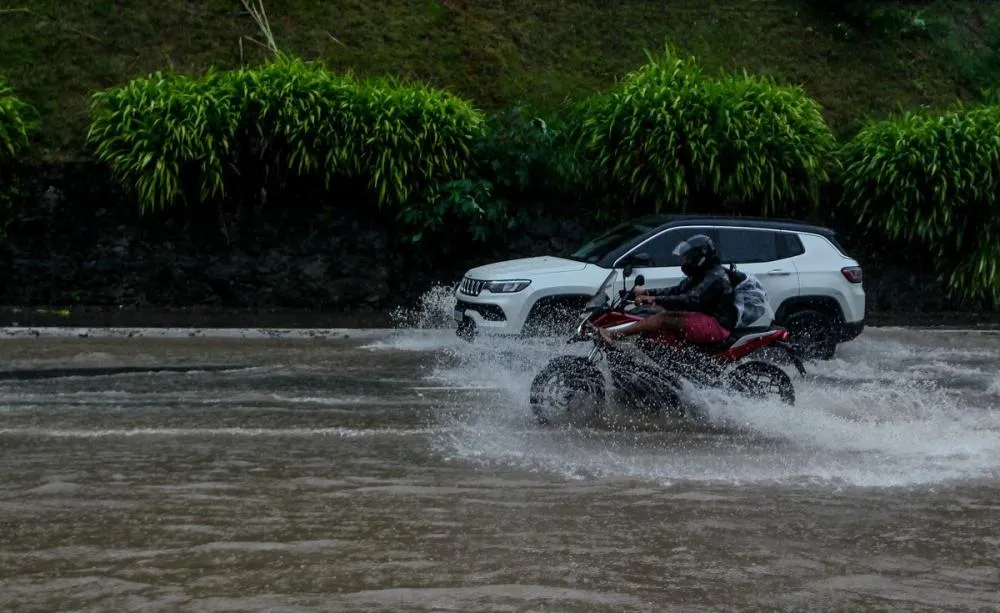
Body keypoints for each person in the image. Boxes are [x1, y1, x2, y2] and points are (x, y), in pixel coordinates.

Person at [598, 234, 737, 345]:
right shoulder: (702, 273)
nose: (685, 262)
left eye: (688, 258)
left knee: (661, 319)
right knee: (654, 311)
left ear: (699, 258)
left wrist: (653, 299)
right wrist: (647, 292)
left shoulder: (715, 277)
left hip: (717, 325)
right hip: (704, 317)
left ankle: (612, 334)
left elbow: (690, 299)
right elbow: (677, 290)